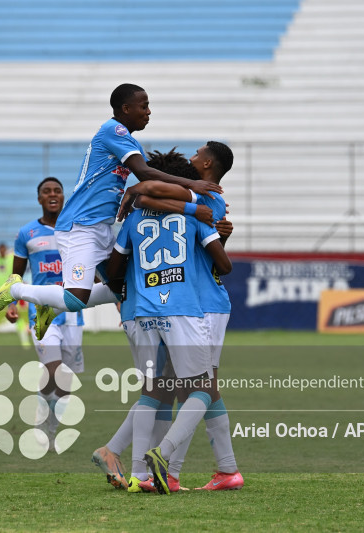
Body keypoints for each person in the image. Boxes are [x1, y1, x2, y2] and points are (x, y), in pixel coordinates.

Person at [0, 83, 223, 340]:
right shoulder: (114, 130)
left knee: (123, 287)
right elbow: (144, 174)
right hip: (80, 225)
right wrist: (192, 184)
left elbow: (146, 182)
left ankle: (50, 307)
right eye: (143, 106)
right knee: (75, 299)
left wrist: (140, 192)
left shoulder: (129, 142)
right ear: (125, 108)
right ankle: (17, 289)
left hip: (100, 227)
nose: (148, 112)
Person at [94, 145, 242, 493]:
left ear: (206, 165)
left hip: (197, 304)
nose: (190, 157)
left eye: (196, 154)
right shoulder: (196, 207)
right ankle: (187, 469)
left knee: (180, 388)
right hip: (191, 304)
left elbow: (150, 190)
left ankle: (161, 469)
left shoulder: (199, 200)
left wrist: (136, 190)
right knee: (189, 388)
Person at [7, 177, 84, 447]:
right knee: (53, 369)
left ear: (64, 197)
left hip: (74, 314)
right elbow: (16, 276)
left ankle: (51, 423)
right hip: (42, 314)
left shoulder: (77, 229)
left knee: (65, 382)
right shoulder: (26, 233)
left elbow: (94, 271)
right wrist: (12, 302)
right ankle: (43, 422)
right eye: (46, 191)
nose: (52, 194)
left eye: (57, 191)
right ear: (39, 198)